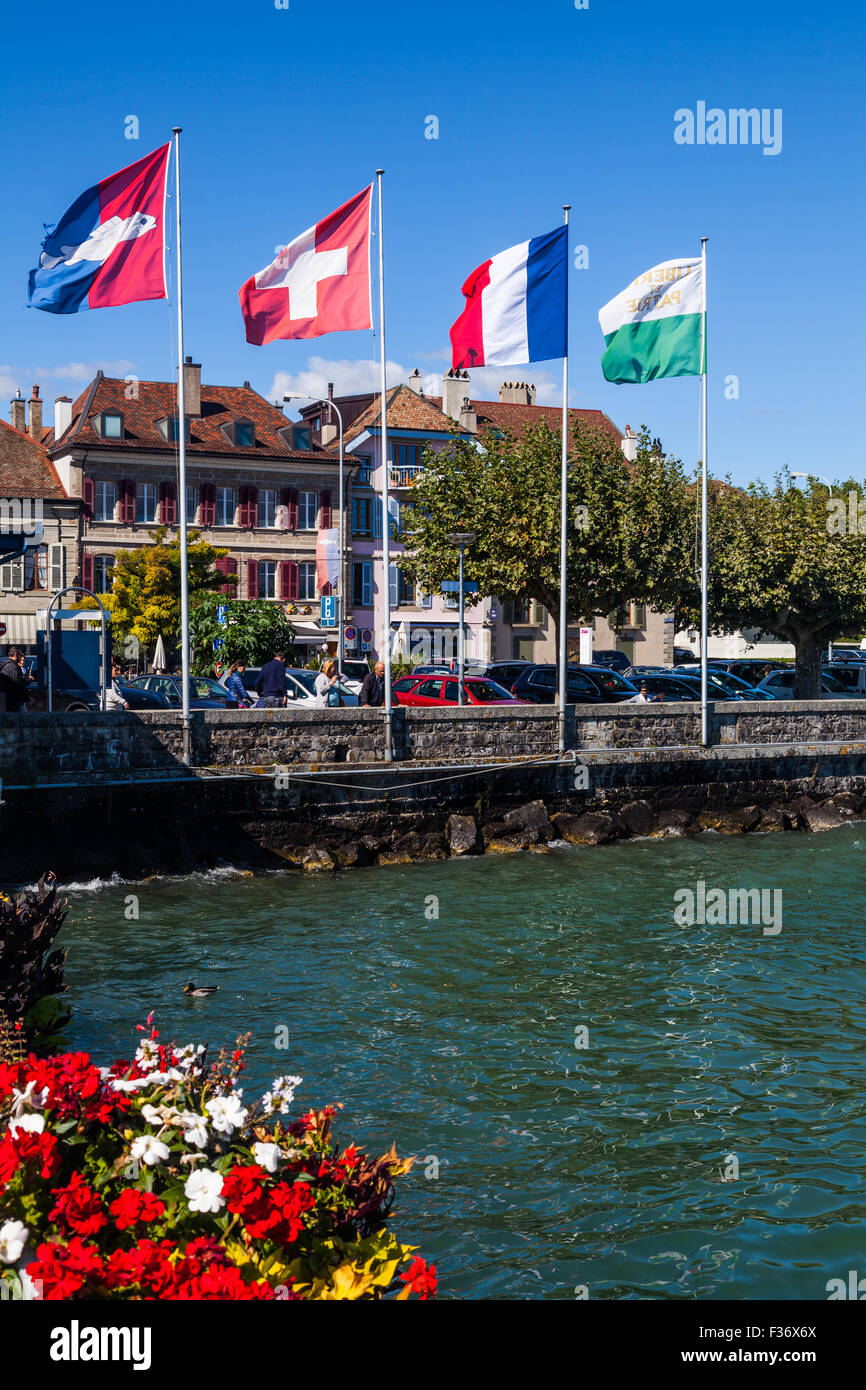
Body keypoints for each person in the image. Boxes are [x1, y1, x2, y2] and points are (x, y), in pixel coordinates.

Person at [0, 648, 33, 712]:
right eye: (20, 655)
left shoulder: (5, 664)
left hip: (7, 695)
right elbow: (17, 681)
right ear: (15, 655)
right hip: (13, 697)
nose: (21, 658)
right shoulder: (12, 666)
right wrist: (28, 680)